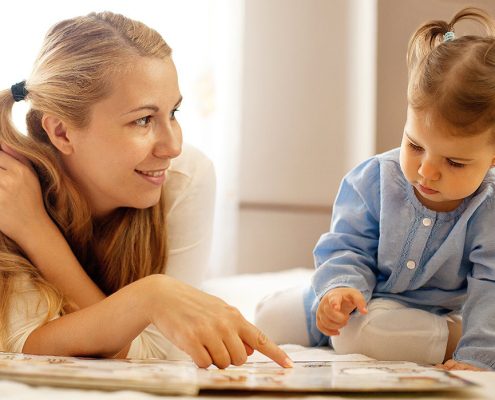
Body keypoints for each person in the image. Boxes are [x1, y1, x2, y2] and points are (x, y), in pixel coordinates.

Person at [0, 11, 292, 370]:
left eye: (174, 112)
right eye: (142, 120)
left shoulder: (185, 177)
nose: (172, 146)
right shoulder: (11, 189)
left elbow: (161, 349)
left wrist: (152, 297)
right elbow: (19, 345)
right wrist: (32, 227)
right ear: (61, 132)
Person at [256, 6, 495, 371]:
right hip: (358, 297)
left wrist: (477, 356)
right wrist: (337, 291)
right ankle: (330, 307)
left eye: (454, 163)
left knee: (364, 335)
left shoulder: (488, 210)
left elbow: (489, 289)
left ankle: (453, 336)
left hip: (425, 315)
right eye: (415, 145)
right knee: (266, 318)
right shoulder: (374, 180)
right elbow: (347, 245)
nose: (426, 172)